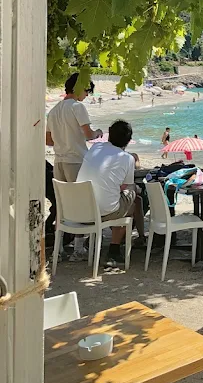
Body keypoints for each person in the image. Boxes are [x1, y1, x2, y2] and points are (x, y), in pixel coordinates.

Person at [77, 119, 145, 265]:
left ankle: (102, 242)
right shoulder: (127, 158)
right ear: (129, 140)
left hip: (80, 210)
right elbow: (126, 186)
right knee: (133, 198)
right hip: (103, 211)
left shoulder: (95, 148)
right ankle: (114, 249)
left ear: (109, 133)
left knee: (118, 196)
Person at [45, 72, 103, 181]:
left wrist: (63, 139)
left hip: (58, 162)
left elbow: (48, 141)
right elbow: (89, 135)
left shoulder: (53, 111)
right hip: (76, 161)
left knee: (63, 192)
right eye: (86, 90)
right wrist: (98, 133)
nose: (87, 94)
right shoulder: (77, 107)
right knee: (81, 191)